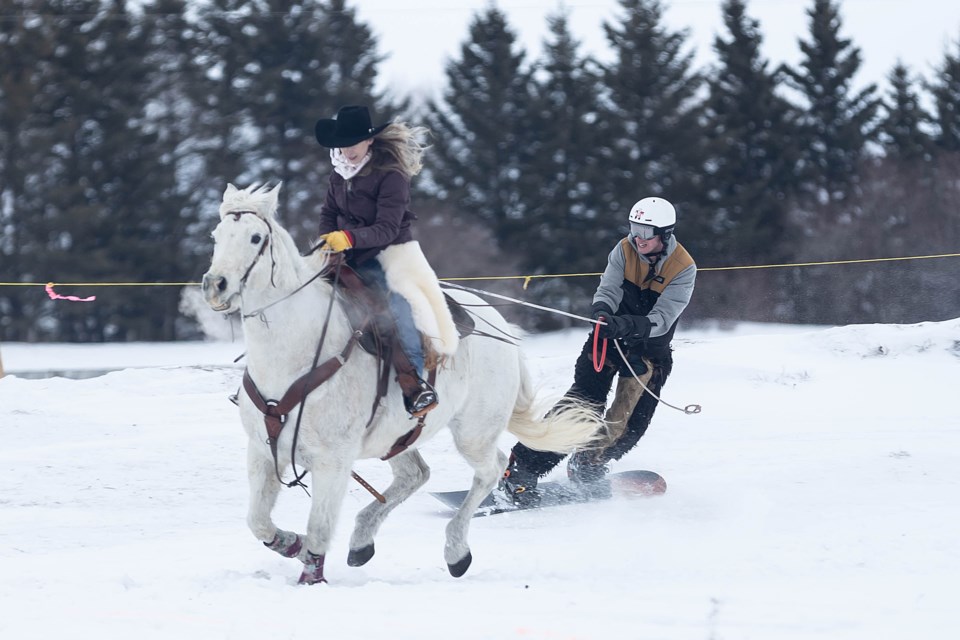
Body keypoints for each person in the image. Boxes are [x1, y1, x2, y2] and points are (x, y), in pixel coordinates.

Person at [500, 197, 696, 505]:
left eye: (647, 232)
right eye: (635, 229)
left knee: (629, 423)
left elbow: (662, 319)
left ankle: (588, 462)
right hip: (608, 341)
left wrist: (627, 325)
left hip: (648, 352)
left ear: (665, 234)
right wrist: (603, 312)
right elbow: (607, 288)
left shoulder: (684, 268)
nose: (639, 238)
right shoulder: (624, 249)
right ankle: (523, 468)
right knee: (583, 406)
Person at [314, 105, 457, 417]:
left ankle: (415, 384)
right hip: (344, 254)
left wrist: (349, 238)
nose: (347, 150)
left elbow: (387, 228)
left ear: (369, 142)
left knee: (396, 310)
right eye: (343, 144)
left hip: (389, 255)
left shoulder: (391, 176)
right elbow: (328, 213)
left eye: (353, 143)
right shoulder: (337, 172)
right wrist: (327, 240)